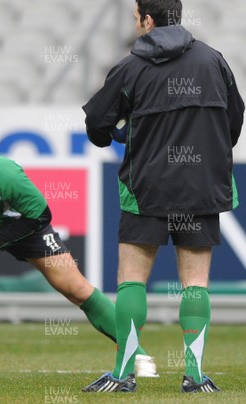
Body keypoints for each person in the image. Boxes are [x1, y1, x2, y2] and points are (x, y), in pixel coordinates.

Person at [82, 0, 243, 393]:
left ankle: (123, 375)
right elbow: (235, 118)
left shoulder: (130, 66)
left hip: (146, 187)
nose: (135, 24)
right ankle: (195, 376)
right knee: (196, 284)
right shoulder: (214, 61)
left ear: (148, 19)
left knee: (132, 281)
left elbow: (96, 124)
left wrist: (119, 133)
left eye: (135, 17)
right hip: (201, 188)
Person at [0, 124, 157, 377]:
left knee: (76, 289)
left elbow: (40, 215)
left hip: (23, 227)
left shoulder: (3, 174)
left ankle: (136, 353)